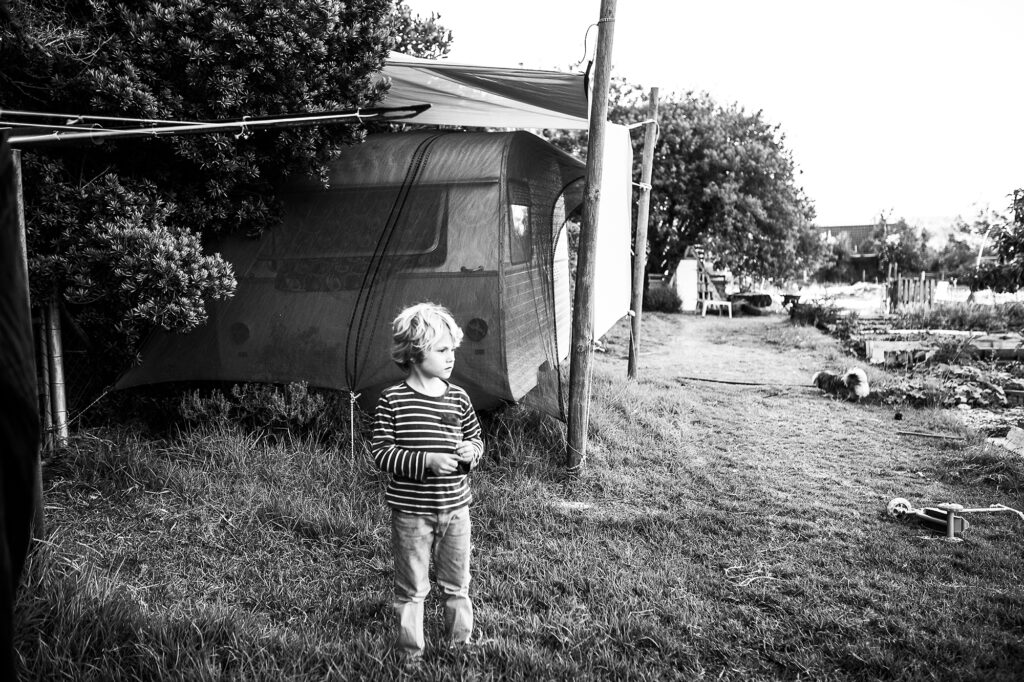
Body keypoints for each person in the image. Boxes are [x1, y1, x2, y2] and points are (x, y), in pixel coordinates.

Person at [371, 302, 485, 661]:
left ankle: (460, 644)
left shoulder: (459, 398)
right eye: (442, 350)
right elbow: (382, 454)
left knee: (457, 583)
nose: (451, 357)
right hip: (411, 513)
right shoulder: (393, 401)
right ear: (415, 353)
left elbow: (476, 439)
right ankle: (410, 653)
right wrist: (426, 461)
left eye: (453, 349)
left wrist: (471, 452)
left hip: (456, 510)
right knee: (412, 588)